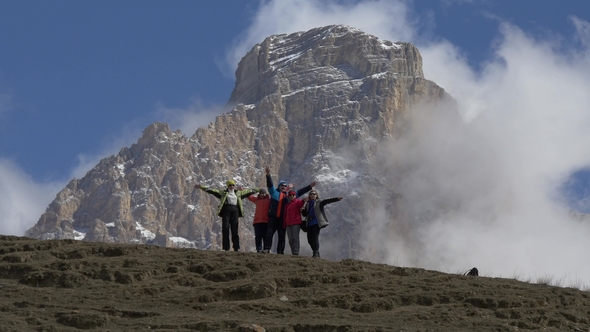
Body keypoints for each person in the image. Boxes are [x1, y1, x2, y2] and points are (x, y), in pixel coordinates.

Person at [262, 167, 315, 254]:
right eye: (282, 185)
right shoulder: (274, 193)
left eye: (285, 186)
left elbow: (300, 192)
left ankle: (280, 251)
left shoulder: (289, 196)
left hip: (283, 219)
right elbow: (270, 185)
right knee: (269, 234)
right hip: (273, 217)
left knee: (282, 236)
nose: (283, 187)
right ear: (279, 186)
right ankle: (267, 248)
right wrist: (268, 175)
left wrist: (310, 187)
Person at [195, 180, 259, 252]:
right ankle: (226, 248)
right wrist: (202, 187)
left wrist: (259, 189)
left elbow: (249, 191)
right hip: (226, 210)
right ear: (227, 186)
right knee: (225, 228)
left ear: (234, 186)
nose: (231, 186)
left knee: (234, 229)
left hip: (235, 211)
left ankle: (236, 247)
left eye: (233, 185)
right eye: (230, 185)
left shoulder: (238, 193)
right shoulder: (223, 193)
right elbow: (212, 191)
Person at [302, 190, 343, 258]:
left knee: (315, 237)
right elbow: (305, 214)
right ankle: (316, 252)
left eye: (314, 194)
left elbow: (327, 201)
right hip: (309, 223)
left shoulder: (319, 202)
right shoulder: (308, 204)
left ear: (316, 195)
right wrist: (302, 210)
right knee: (309, 239)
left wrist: (336, 199)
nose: (312, 195)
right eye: (311, 194)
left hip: (316, 223)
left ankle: (315, 253)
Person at [246, 188, 271, 253]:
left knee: (265, 236)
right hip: (257, 221)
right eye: (261, 193)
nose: (262, 195)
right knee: (258, 236)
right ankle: (259, 249)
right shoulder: (256, 200)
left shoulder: (269, 200)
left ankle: (266, 249)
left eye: (264, 193)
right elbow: (249, 196)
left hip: (266, 221)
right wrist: (242, 190)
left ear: (266, 194)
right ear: (259, 194)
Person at [283, 190, 306, 255]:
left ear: (295, 196)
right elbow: (285, 215)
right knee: (290, 239)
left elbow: (301, 203)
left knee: (295, 238)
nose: (291, 196)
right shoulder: (287, 205)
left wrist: (303, 200)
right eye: (290, 195)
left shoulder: (297, 202)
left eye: (293, 195)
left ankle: (296, 251)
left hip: (296, 223)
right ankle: (293, 251)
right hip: (288, 223)